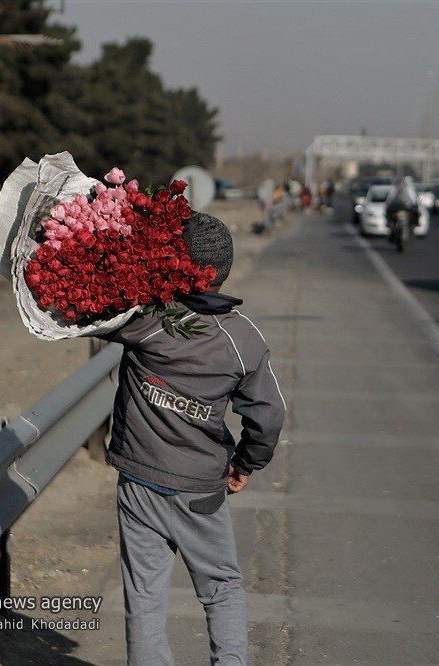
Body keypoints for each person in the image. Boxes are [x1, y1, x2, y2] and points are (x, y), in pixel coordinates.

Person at [97, 212, 286, 665]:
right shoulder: (242, 339)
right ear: (225, 270)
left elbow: (92, 312)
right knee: (220, 590)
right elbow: (269, 415)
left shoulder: (144, 321)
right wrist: (245, 464)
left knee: (144, 599)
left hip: (139, 485)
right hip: (202, 491)